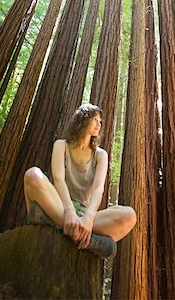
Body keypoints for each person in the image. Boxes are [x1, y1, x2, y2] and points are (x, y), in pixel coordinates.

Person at [24, 103, 136, 259]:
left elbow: (98, 188)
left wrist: (88, 219)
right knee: (32, 175)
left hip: (84, 215)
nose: (99, 124)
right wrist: (69, 212)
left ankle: (62, 227)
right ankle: (86, 239)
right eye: (95, 120)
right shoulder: (61, 145)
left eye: (100, 121)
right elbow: (58, 179)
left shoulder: (100, 155)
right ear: (83, 120)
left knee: (129, 215)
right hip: (58, 205)